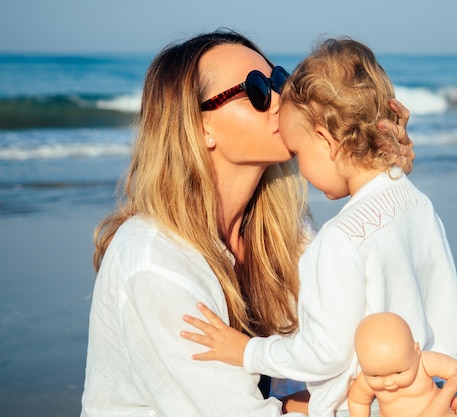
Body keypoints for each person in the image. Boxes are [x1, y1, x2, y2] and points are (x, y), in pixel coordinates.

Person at [79, 30, 417, 417]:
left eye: (279, 80)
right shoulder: (154, 261)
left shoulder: (287, 235)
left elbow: (374, 336)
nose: (282, 99)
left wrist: (382, 168)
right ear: (199, 126)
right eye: (257, 90)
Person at [181, 38, 457, 417]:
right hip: (430, 396)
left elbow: (325, 354)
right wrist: (447, 389)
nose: (300, 168)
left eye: (299, 154)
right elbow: (443, 306)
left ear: (326, 141)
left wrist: (246, 351)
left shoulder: (340, 240)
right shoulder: (418, 205)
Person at [348, 313, 457, 417]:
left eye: (399, 372)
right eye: (376, 375)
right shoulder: (366, 379)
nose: (388, 382)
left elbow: (454, 369)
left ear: (416, 351)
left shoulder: (423, 363)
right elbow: (358, 401)